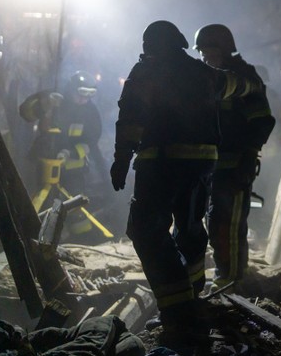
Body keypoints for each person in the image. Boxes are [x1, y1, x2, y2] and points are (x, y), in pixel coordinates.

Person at [110, 20, 261, 336]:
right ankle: (193, 297)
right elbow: (236, 85)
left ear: (150, 45)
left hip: (160, 163)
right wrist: (250, 83)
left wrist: (122, 159)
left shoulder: (146, 71)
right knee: (190, 229)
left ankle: (178, 311)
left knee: (146, 228)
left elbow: (131, 117)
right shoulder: (203, 73)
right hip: (202, 164)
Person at [193, 24, 276, 291]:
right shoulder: (206, 78)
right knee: (211, 222)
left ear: (225, 49)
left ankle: (231, 279)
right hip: (208, 167)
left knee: (227, 223)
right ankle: (227, 274)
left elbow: (262, 120)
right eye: (202, 53)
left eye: (210, 52)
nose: (206, 57)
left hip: (235, 165)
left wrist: (250, 154)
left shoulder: (243, 76)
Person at [19, 71, 107, 241]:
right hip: (44, 166)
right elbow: (25, 112)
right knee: (42, 205)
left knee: (76, 209)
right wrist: (45, 103)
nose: (84, 99)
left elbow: (91, 140)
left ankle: (83, 245)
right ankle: (33, 239)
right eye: (81, 94)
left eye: (89, 95)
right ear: (71, 89)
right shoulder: (55, 98)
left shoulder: (90, 112)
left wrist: (71, 153)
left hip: (73, 171)